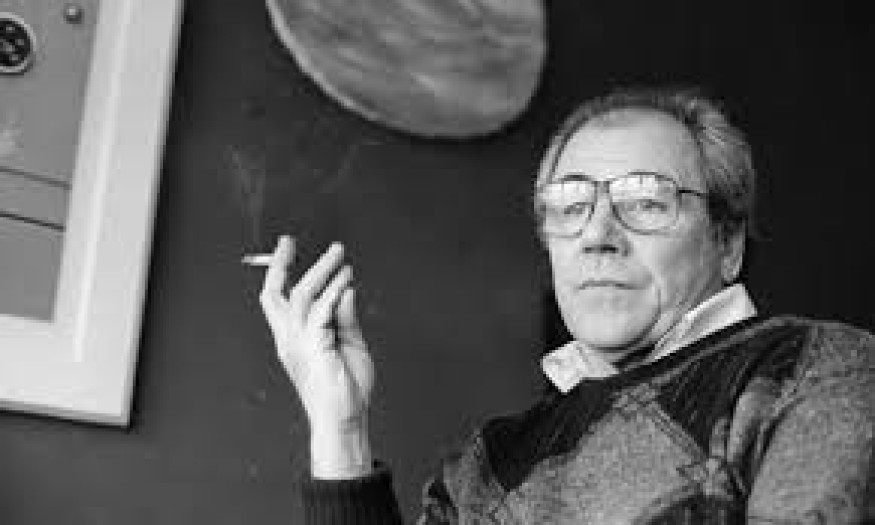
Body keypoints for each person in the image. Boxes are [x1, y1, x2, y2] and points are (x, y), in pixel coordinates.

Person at [257, 86, 874, 523]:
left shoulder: (818, 370)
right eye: (571, 206)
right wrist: (340, 429)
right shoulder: (484, 465)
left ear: (727, 243)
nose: (598, 235)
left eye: (646, 202)